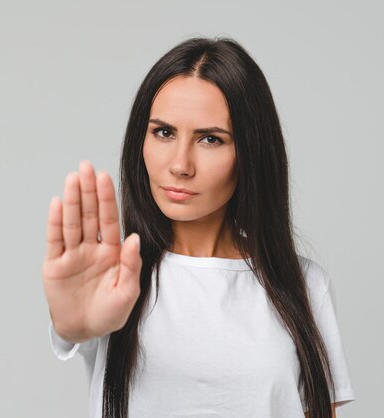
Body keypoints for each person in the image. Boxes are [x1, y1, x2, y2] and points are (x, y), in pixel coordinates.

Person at [41, 36, 356, 418]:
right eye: (164, 132)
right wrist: (73, 326)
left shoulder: (305, 286)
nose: (180, 164)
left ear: (251, 153)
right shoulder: (115, 278)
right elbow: (77, 325)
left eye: (210, 139)